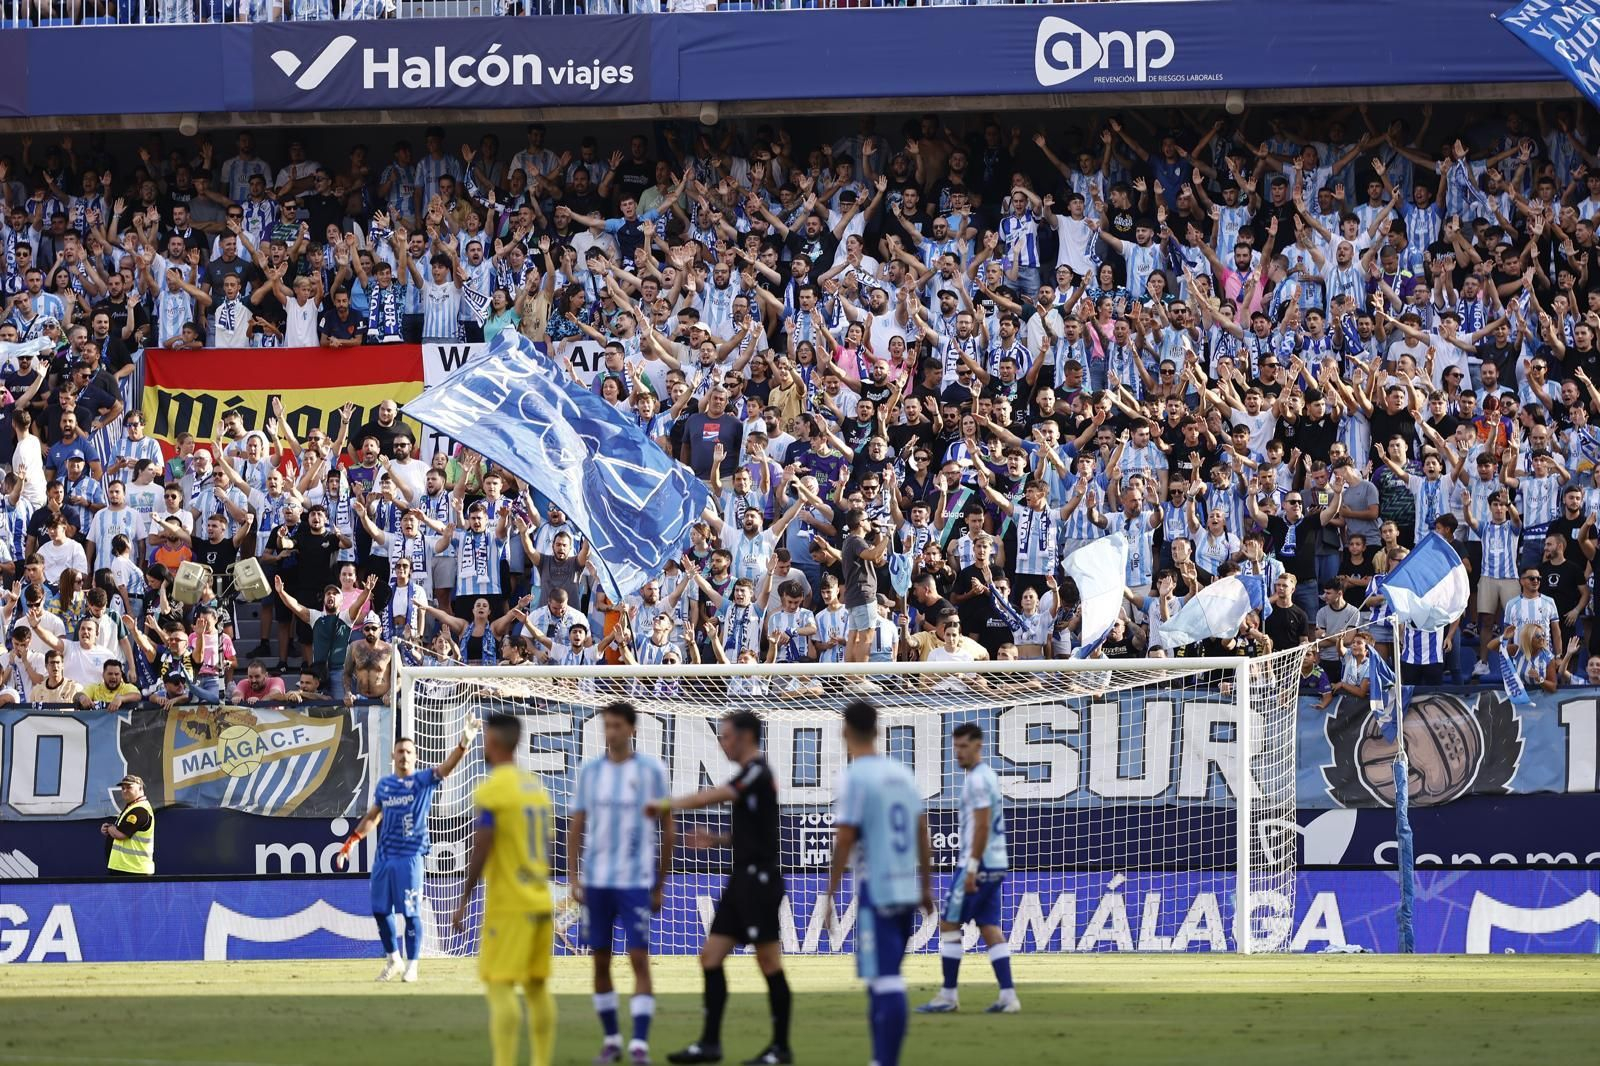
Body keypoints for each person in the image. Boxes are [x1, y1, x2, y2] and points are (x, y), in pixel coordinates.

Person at [648, 710, 792, 1066]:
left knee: (768, 962)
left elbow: (712, 797)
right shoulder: (750, 775)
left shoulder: (757, 770)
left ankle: (780, 1048)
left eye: (725, 735)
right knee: (710, 957)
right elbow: (755, 831)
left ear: (744, 737)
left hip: (759, 881)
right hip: (741, 880)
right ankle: (709, 1044)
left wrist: (666, 804)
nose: (722, 742)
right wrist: (719, 839)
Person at [825, 700, 933, 1066]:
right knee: (880, 976)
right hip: (906, 886)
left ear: (845, 731)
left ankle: (886, 1060)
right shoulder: (902, 774)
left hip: (878, 887)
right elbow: (922, 830)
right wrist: (927, 886)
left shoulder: (856, 776)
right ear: (878, 730)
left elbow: (845, 838)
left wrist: (830, 892)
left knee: (886, 979)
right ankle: (878, 1057)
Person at [570, 701, 674, 1066]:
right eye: (606, 725)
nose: (609, 731)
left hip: (635, 882)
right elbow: (577, 823)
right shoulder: (591, 771)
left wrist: (660, 883)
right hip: (596, 882)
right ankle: (612, 1039)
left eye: (616, 725)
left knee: (638, 959)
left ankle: (640, 1045)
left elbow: (667, 827)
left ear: (632, 730)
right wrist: (572, 876)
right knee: (599, 961)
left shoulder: (650, 771)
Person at [450, 713, 557, 1066]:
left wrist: (464, 898)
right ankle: (541, 1060)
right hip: (541, 901)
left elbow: (482, 847)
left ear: (494, 742)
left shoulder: (493, 789)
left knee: (500, 986)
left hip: (509, 905)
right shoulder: (537, 790)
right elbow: (545, 847)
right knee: (538, 989)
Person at [337, 718, 480, 983]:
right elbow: (373, 817)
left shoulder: (423, 780)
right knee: (380, 911)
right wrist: (351, 842)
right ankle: (394, 959)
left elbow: (447, 768)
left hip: (410, 858)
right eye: (400, 751)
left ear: (416, 756)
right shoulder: (385, 786)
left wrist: (464, 744)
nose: (404, 756)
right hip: (383, 858)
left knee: (411, 912)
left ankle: (413, 965)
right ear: (393, 755)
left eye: (409, 752)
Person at [916, 721, 1019, 1015]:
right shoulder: (986, 776)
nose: (958, 752)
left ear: (978, 746)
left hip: (980, 863)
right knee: (989, 928)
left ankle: (948, 995)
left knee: (949, 923)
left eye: (964, 746)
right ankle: (1008, 996)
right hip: (997, 862)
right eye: (956, 746)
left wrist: (972, 867)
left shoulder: (977, 780)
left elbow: (983, 824)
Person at [102, 773, 154, 876]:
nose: (125, 791)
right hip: (125, 867)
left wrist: (110, 829)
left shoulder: (140, 810)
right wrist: (109, 828)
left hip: (133, 870)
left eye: (129, 787)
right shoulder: (132, 807)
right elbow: (121, 829)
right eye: (123, 788)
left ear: (140, 788)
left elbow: (120, 835)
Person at [344, 611, 395, 706]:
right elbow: (347, 673)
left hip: (382, 700)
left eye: (374, 628)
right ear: (363, 630)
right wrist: (348, 692)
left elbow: (399, 677)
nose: (370, 632)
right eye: (367, 629)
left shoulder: (389, 649)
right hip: (360, 700)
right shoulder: (354, 647)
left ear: (381, 629)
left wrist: (390, 694)